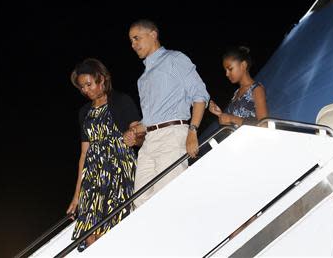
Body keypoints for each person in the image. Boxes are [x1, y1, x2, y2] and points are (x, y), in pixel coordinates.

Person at [124, 19, 209, 208]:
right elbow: (150, 119)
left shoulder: (174, 59)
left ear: (153, 34)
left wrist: (193, 131)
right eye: (131, 41)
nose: (133, 45)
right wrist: (136, 130)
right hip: (150, 141)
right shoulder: (142, 79)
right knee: (139, 201)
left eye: (136, 38)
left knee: (168, 196)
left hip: (173, 135)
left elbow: (199, 95)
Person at [66, 58, 141, 251]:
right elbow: (84, 154)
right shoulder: (84, 112)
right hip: (93, 176)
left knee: (113, 228)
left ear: (101, 79)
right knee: (90, 234)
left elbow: (138, 133)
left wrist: (134, 136)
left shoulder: (121, 100)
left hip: (118, 172)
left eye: (89, 84)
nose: (86, 90)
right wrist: (76, 196)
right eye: (82, 87)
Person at [209, 46, 268, 127]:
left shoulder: (256, 89)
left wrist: (232, 119)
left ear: (243, 65)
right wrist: (220, 114)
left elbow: (264, 124)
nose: (226, 74)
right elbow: (235, 123)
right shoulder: (236, 93)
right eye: (225, 71)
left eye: (230, 69)